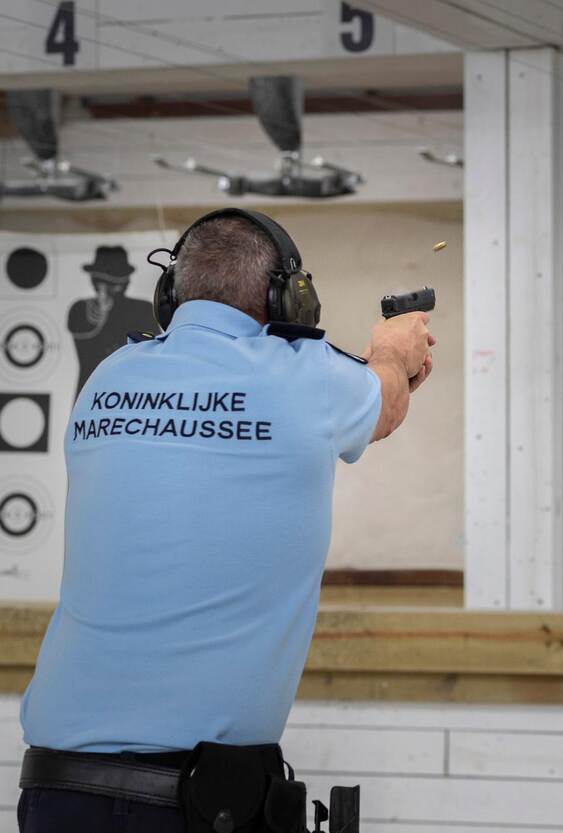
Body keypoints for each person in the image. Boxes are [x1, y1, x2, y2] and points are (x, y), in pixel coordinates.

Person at [16, 208, 435, 833]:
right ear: (289, 298)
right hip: (194, 805)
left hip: (56, 790)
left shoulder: (110, 375)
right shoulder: (308, 375)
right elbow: (386, 401)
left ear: (170, 293)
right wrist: (395, 351)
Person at [66, 245, 159, 396]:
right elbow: (83, 330)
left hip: (131, 392)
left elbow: (151, 346)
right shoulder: (81, 309)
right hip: (93, 393)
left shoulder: (142, 309)